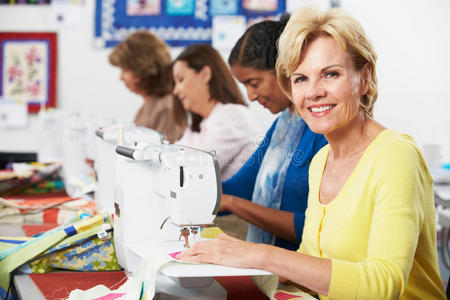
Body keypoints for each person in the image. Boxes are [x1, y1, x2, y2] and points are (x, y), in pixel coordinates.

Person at [178, 6, 446, 299]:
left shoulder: (395, 156)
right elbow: (308, 263)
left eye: (330, 74)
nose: (313, 92)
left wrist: (259, 255)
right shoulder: (321, 161)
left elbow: (383, 285)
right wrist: (236, 268)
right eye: (301, 79)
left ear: (364, 77)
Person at [217, 15, 327, 249]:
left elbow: (317, 229)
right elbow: (241, 186)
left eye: (254, 83)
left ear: (284, 69)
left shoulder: (323, 131)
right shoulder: (283, 126)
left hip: (302, 275)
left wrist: (233, 204)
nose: (250, 96)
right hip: (272, 268)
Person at [172, 44, 262, 181]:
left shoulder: (234, 116)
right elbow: (170, 161)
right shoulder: (198, 126)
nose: (175, 91)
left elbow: (193, 172)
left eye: (181, 80)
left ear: (205, 75)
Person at [109, 31, 185, 143]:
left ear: (142, 70)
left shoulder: (166, 109)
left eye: (125, 70)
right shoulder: (149, 104)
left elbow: (166, 156)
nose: (121, 78)